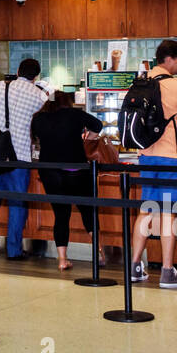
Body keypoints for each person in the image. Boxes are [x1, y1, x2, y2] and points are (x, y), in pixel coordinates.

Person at [128, 40, 177, 287]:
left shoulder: (141, 81)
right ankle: (168, 272)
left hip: (146, 156)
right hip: (171, 157)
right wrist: (175, 128)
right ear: (168, 59)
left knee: (146, 210)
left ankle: (135, 267)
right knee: (168, 212)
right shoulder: (176, 85)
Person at [0, 59, 48, 259]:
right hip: (21, 156)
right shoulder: (39, 95)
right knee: (17, 203)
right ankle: (14, 250)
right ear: (36, 77)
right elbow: (42, 124)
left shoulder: (0, 86)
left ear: (17, 71)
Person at [31, 91, 104, 271]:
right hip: (77, 171)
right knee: (88, 212)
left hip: (50, 173)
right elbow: (98, 125)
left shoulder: (39, 118)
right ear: (68, 103)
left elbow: (36, 139)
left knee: (61, 215)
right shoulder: (75, 114)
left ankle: (62, 260)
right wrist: (89, 138)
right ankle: (100, 252)